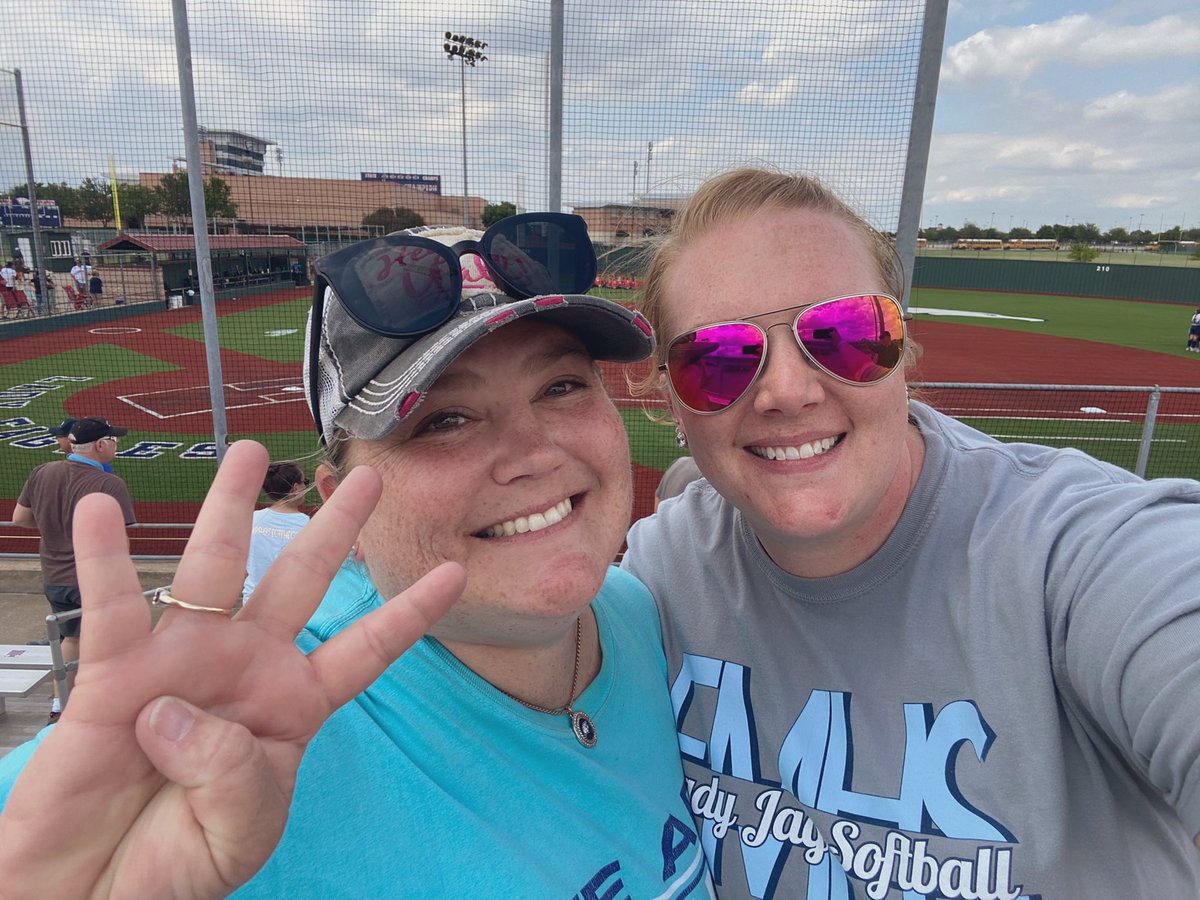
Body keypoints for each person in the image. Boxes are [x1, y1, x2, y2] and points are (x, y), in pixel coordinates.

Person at [0, 220, 711, 898]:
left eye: (561, 386)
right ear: (347, 506)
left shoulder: (642, 613)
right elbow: (50, 832)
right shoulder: (250, 733)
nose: (533, 453)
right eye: (444, 421)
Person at [622, 168, 1200, 898]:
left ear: (905, 353)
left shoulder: (1067, 551)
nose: (787, 392)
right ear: (673, 401)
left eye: (843, 335)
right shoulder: (664, 567)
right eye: (717, 360)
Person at [12, 416, 136, 719]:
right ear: (100, 445)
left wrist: (55, 531)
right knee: (110, 640)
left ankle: (60, 703)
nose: (116, 445)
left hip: (54, 575)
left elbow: (20, 519)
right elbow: (120, 535)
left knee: (72, 638)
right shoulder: (108, 483)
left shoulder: (42, 472)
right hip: (95, 578)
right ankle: (107, 705)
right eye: (114, 440)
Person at [241, 461, 311, 604]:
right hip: (290, 604)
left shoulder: (253, 519)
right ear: (295, 488)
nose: (306, 487)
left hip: (251, 602)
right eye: (305, 482)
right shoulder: (308, 526)